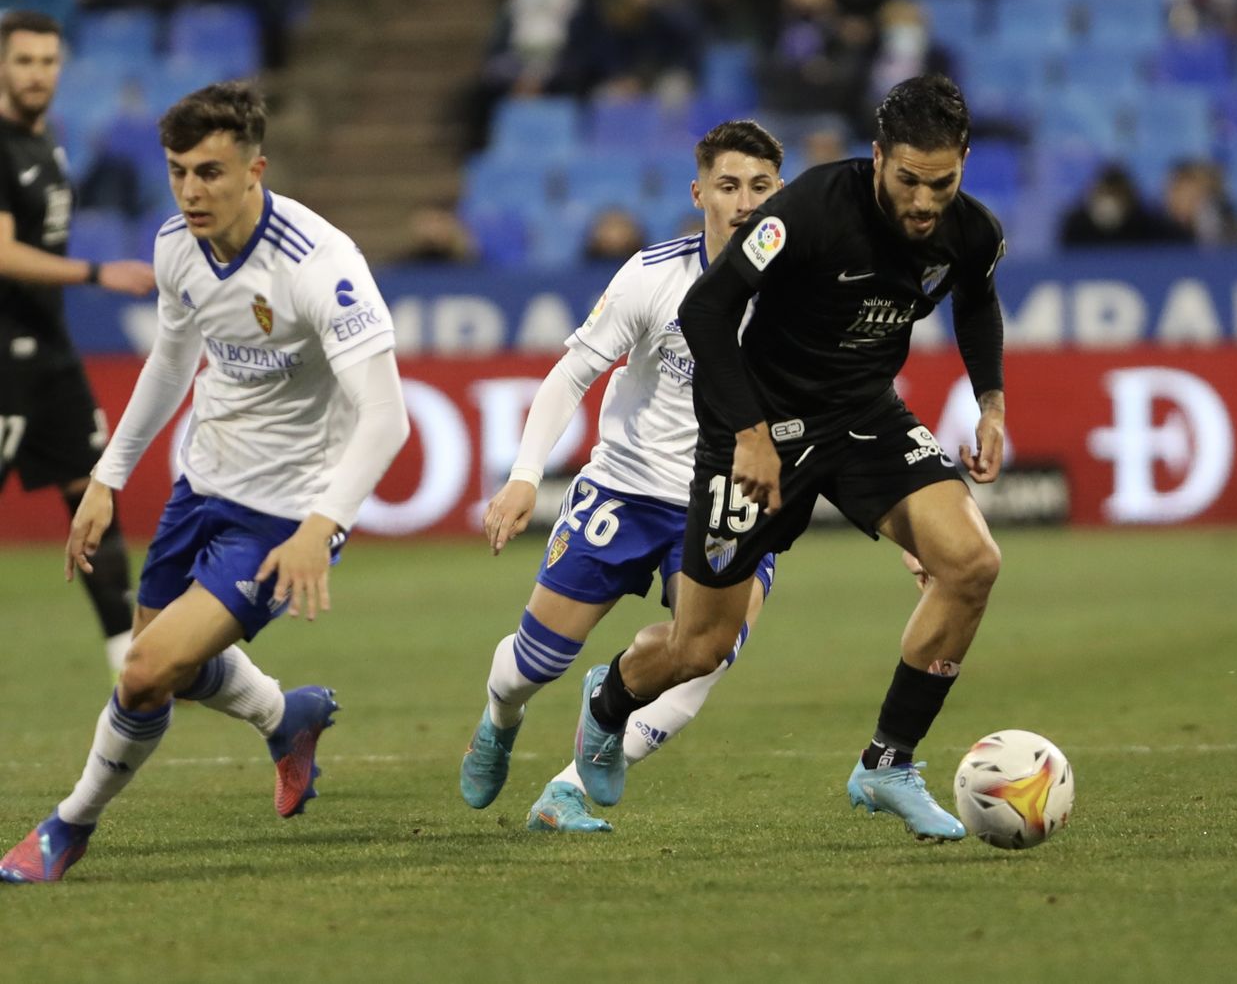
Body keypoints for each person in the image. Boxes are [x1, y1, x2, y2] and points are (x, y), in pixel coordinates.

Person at [572, 74, 1007, 842]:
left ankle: (887, 761)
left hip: (864, 414)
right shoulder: (809, 208)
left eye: (941, 183)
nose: (922, 202)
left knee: (972, 563)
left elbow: (974, 295)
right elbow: (707, 310)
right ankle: (609, 701)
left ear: (963, 163)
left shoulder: (970, 230)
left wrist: (992, 402)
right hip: (759, 425)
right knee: (699, 646)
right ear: (877, 158)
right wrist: (749, 435)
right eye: (906, 179)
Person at [0, 82, 410, 884]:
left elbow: (387, 418)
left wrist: (321, 525)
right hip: (203, 482)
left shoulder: (319, 265)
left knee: (146, 669)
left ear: (255, 169)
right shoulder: (175, 246)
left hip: (286, 511)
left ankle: (68, 824)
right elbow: (171, 359)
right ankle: (283, 716)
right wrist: (107, 479)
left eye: (212, 172)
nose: (193, 190)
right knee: (170, 673)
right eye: (180, 171)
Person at [462, 120, 785, 832]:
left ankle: (570, 786)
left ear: (780, 193)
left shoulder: (801, 294)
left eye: (760, 187)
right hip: (626, 488)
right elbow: (572, 371)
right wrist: (523, 476)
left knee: (706, 656)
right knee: (533, 662)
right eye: (729, 186)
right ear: (700, 191)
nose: (744, 202)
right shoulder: (652, 275)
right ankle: (499, 716)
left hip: (725, 499)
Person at [0, 11, 155, 674]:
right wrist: (96, 272)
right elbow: (3, 252)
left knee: (91, 490)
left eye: (48, 61)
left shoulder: (47, 143)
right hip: (4, 353)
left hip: (52, 349)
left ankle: (132, 661)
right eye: (25, 61)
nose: (38, 74)